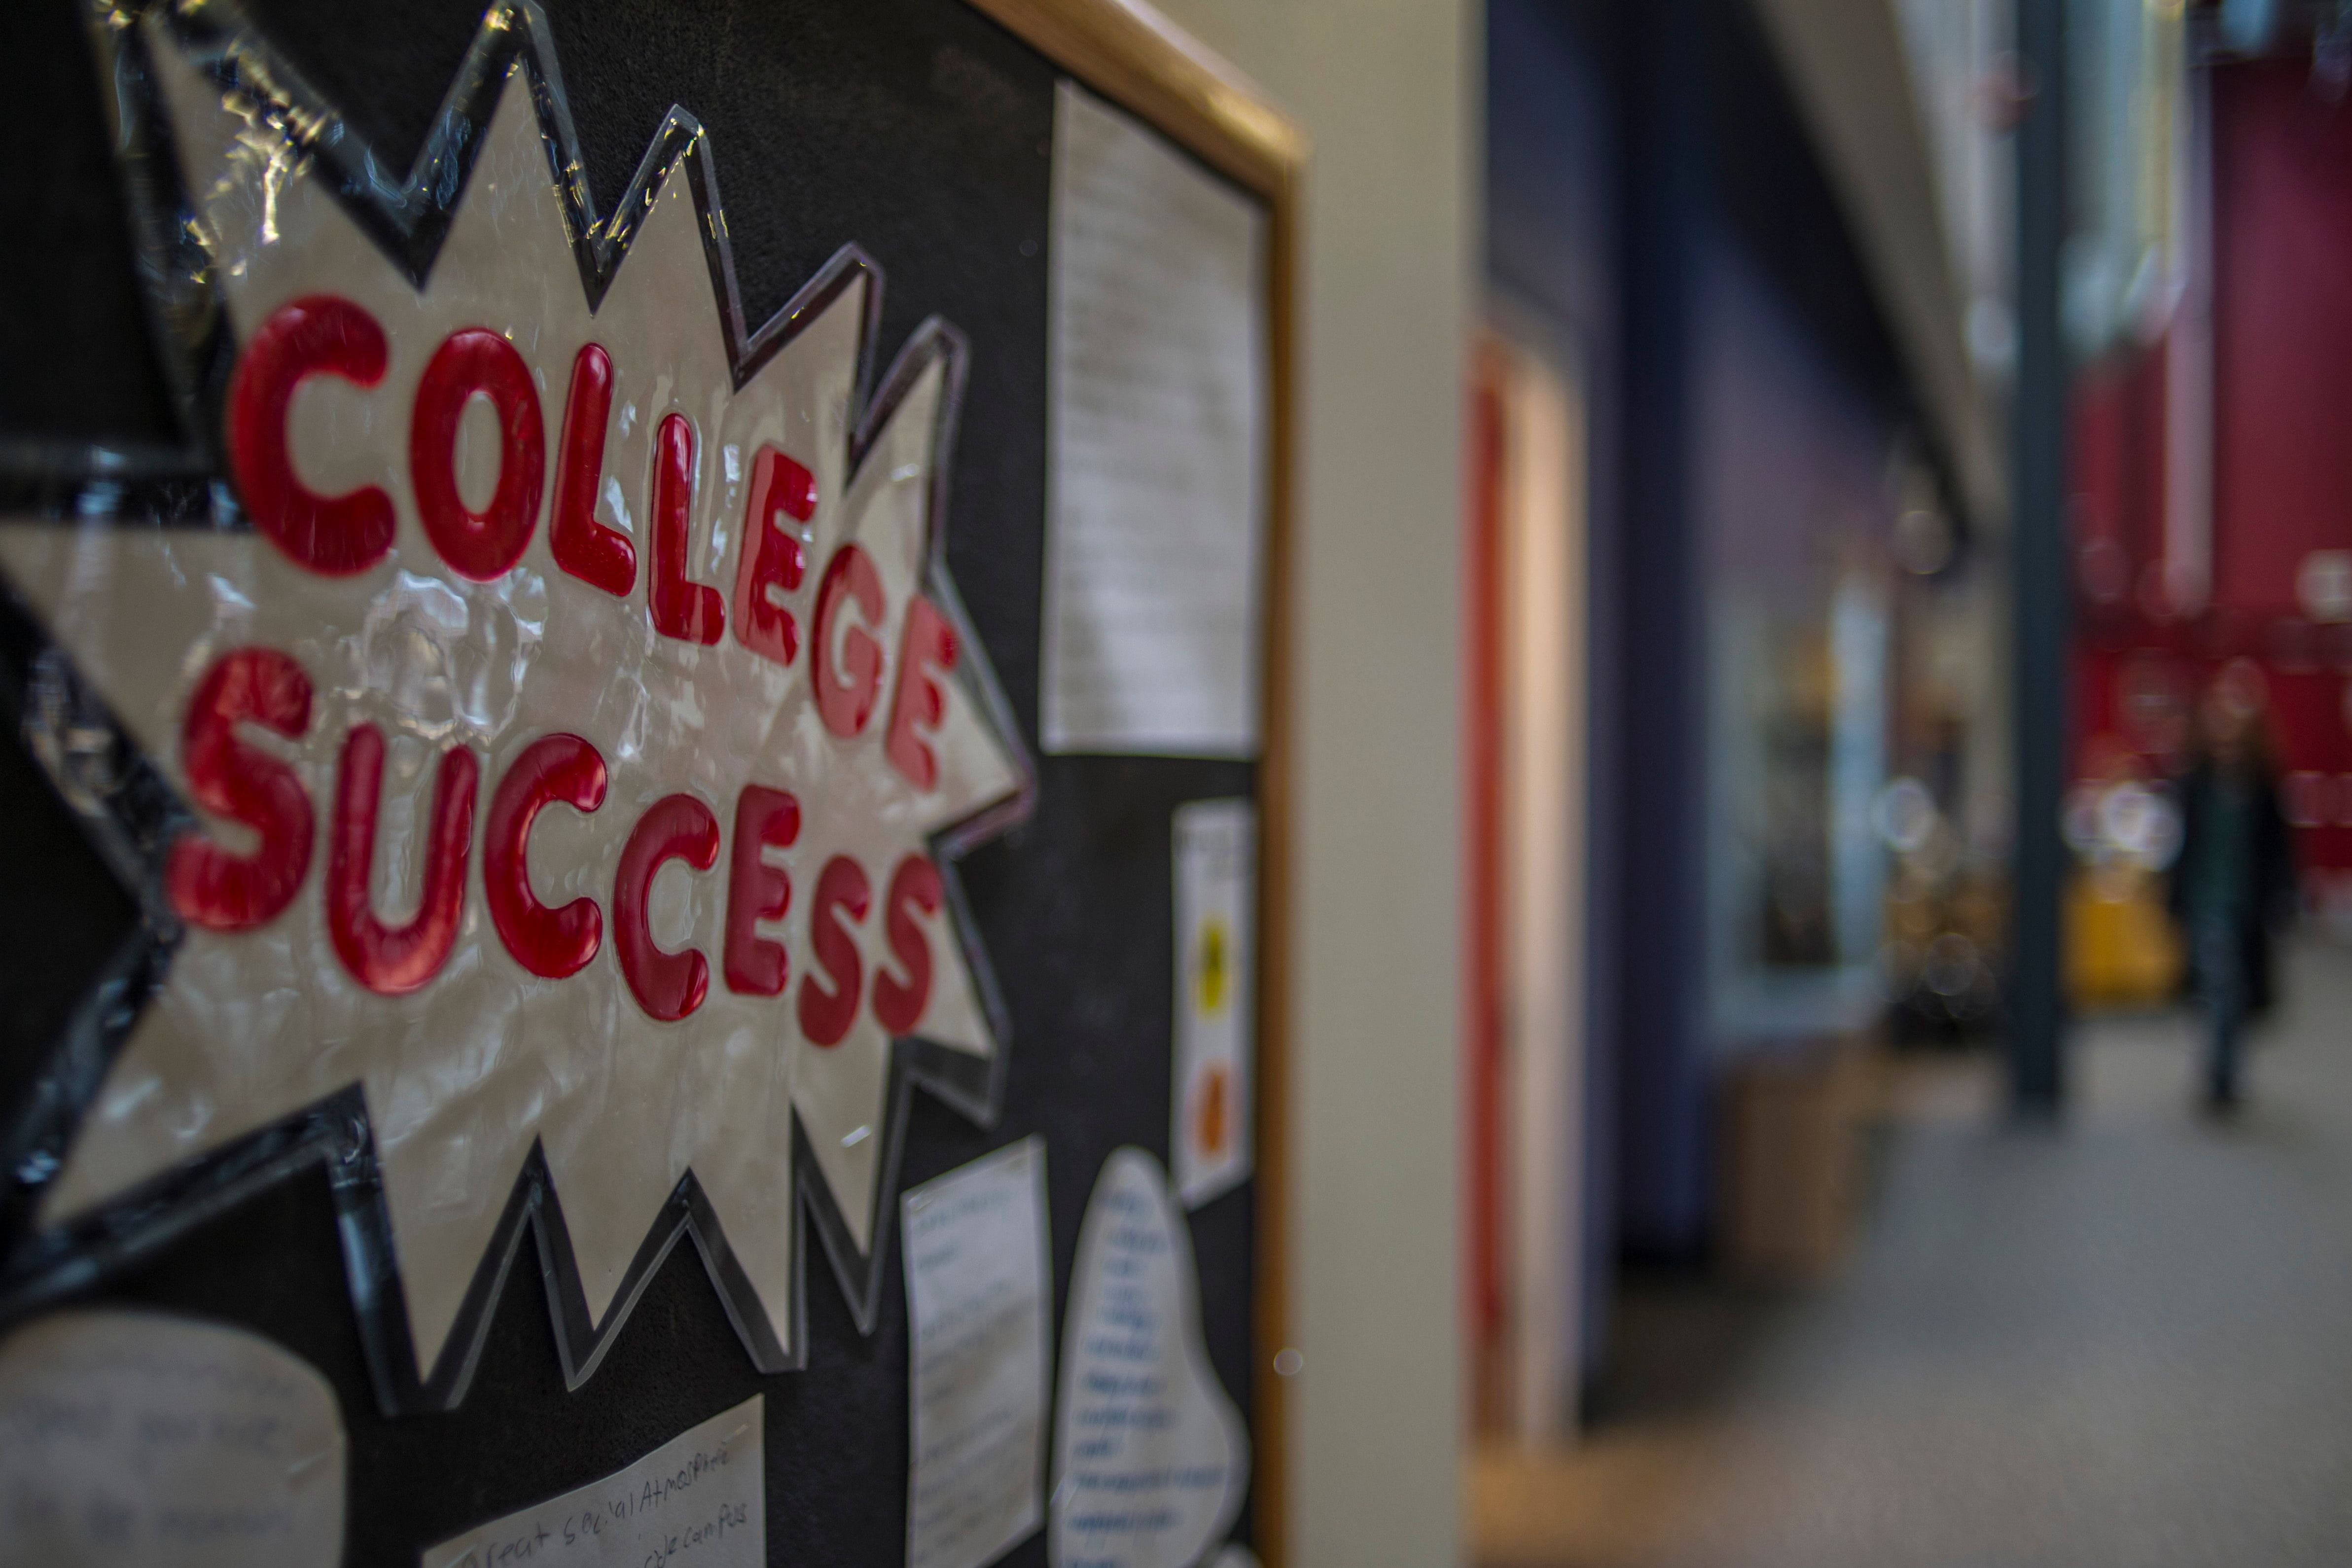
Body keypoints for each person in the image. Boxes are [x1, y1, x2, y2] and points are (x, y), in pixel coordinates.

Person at [2167, 669, 2294, 1112]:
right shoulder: (2195, 784)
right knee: (2220, 983)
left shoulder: (2261, 786)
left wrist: (2284, 897)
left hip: (2246, 903)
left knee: (2232, 989)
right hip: (2207, 903)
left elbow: (2279, 849)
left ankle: (2224, 1068)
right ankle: (2220, 1074)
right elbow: (2183, 847)